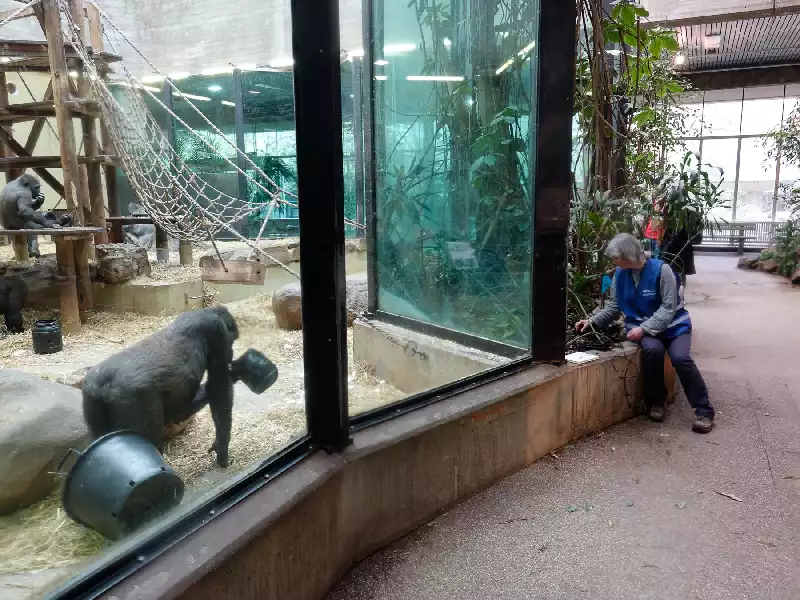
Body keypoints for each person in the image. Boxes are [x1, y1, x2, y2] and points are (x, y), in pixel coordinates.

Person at [575, 232, 714, 433]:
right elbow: (613, 306)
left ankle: (704, 410)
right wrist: (591, 322)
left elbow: (668, 308)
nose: (614, 261)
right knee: (652, 351)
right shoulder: (620, 274)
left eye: (616, 257)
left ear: (628, 255)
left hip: (675, 327)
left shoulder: (662, 270)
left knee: (681, 358)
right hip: (647, 331)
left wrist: (644, 329)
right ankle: (657, 402)